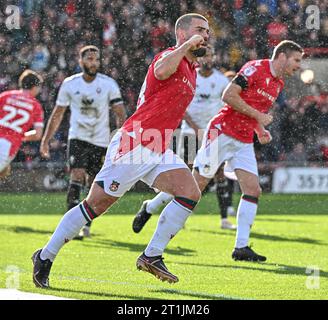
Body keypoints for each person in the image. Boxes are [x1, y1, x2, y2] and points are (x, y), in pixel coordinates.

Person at [32, 13, 210, 288]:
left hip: (158, 145)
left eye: (208, 31)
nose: (206, 35)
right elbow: (161, 71)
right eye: (200, 29)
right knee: (94, 206)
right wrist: (186, 47)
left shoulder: (191, 69)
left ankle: (152, 256)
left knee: (189, 192)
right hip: (136, 143)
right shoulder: (171, 54)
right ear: (183, 33)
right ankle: (45, 256)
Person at [191, 40, 303, 262]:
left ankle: (241, 247)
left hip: (242, 140)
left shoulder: (278, 84)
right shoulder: (255, 68)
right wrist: (260, 118)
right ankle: (152, 209)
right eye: (296, 60)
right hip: (222, 132)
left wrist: (260, 129)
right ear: (282, 56)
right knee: (194, 187)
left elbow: (255, 113)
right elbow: (228, 96)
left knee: (253, 189)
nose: (299, 65)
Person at [132, 46, 237, 233]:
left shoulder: (221, 80)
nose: (208, 59)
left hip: (212, 134)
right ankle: (153, 207)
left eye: (211, 56)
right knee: (184, 175)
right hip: (190, 132)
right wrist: (196, 127)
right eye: (205, 56)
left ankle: (224, 218)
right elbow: (182, 105)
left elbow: (225, 106)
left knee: (218, 173)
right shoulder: (190, 75)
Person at [39, 45, 126, 239]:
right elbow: (58, 113)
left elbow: (120, 113)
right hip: (78, 137)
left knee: (94, 183)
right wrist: (46, 139)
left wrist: (121, 138)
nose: (93, 63)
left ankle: (86, 224)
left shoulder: (109, 84)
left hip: (101, 140)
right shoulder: (70, 84)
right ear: (80, 61)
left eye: (96, 59)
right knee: (77, 175)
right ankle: (71, 225)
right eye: (89, 59)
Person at [0, 70, 44, 179]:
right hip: (8, 146)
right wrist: (18, 135)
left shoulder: (5, 96)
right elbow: (37, 134)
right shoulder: (35, 105)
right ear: (34, 87)